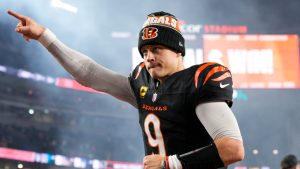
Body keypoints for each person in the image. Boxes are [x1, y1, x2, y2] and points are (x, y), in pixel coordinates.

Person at [7, 10, 244, 169]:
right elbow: (90, 74)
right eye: (145, 52)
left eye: (157, 49)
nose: (149, 57)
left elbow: (232, 149)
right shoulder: (143, 84)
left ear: (178, 50)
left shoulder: (198, 80)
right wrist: (44, 36)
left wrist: (167, 164)